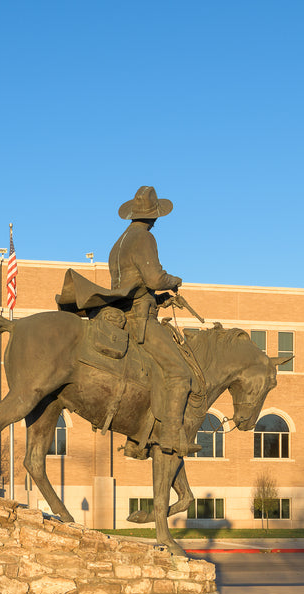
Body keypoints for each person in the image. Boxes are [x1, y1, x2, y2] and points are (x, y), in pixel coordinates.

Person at [109, 186, 199, 457]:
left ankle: (136, 440)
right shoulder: (144, 237)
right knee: (180, 373)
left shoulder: (119, 242)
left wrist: (159, 300)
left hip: (125, 314)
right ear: (154, 215)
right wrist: (174, 281)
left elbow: (132, 285)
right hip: (140, 321)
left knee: (152, 376)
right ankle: (171, 436)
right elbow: (154, 278)